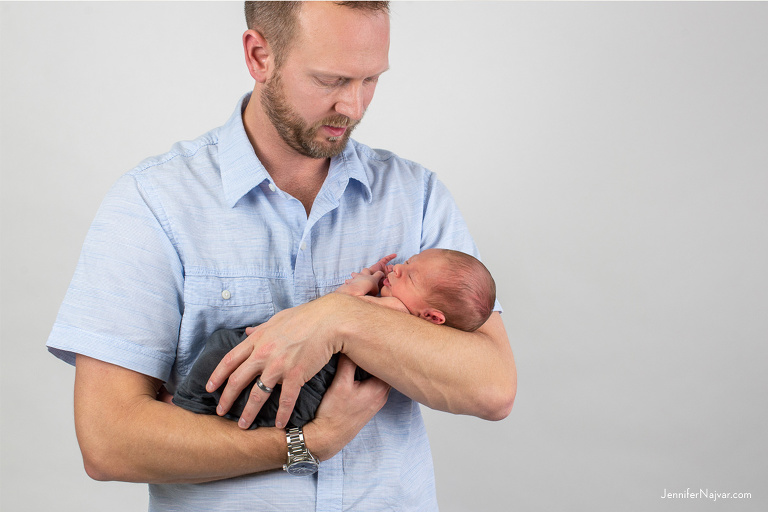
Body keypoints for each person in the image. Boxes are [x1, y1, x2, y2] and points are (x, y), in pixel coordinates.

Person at [46, 2, 516, 510]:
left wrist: (336, 318)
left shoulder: (416, 196)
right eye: (331, 80)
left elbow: (492, 387)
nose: (354, 107)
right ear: (259, 56)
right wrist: (308, 445)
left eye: (370, 80)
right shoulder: (152, 204)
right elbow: (109, 442)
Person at [172, 249, 497, 429]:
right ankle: (194, 405)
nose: (396, 269)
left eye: (409, 275)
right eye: (406, 262)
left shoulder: (396, 310)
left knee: (224, 348)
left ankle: (183, 403)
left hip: (308, 388)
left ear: (431, 317)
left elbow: (343, 306)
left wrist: (359, 286)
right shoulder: (406, 319)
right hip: (311, 393)